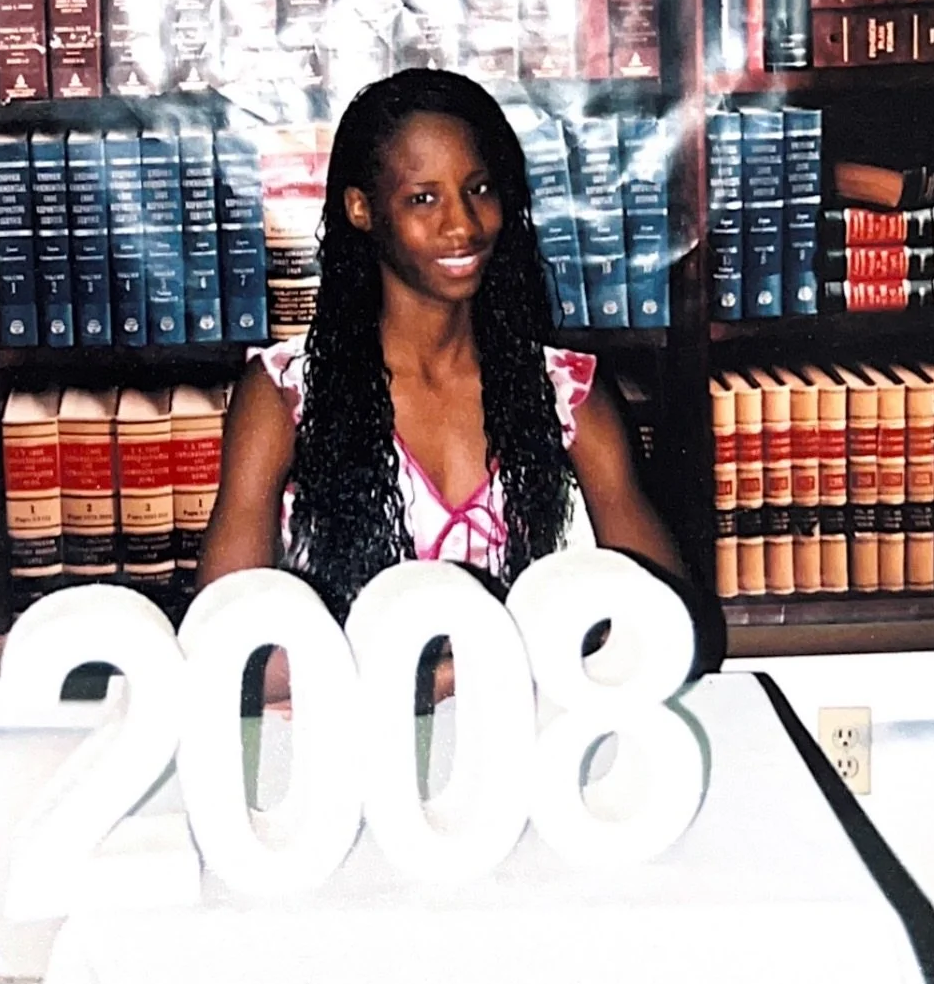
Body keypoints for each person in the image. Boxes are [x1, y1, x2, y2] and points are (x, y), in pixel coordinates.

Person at [198, 69, 725, 705]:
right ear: (362, 209)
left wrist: (452, 671)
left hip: (528, 741)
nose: (464, 225)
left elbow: (676, 624)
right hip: (345, 751)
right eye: (424, 199)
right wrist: (454, 673)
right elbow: (220, 654)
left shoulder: (566, 395)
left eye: (479, 189)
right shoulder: (284, 396)